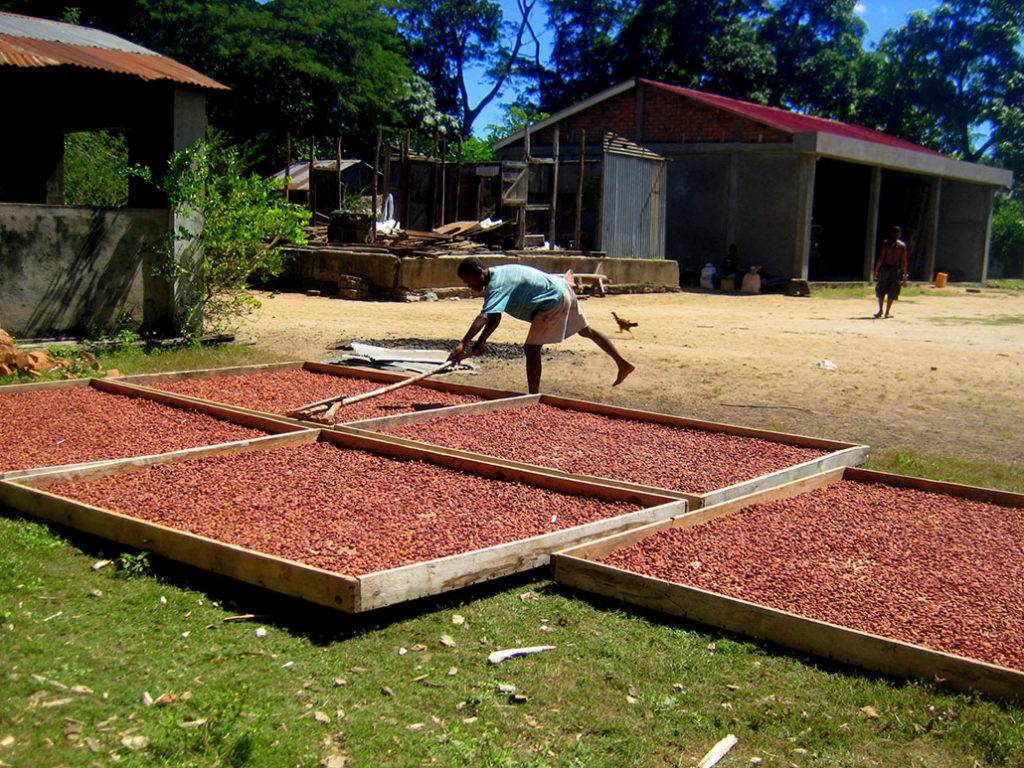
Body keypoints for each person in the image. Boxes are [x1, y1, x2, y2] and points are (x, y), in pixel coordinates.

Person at [449, 258, 635, 394]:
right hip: (563, 289)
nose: (469, 286)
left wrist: (463, 344)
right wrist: (481, 341)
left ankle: (533, 396)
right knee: (586, 330)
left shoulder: (497, 284)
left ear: (480, 272)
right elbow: (495, 316)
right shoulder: (499, 273)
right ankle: (623, 364)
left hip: (552, 301)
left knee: (531, 349)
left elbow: (484, 317)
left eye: (469, 281)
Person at [872, 226, 909, 318]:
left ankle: (880, 310)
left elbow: (881, 258)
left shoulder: (886, 243)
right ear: (899, 234)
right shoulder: (902, 246)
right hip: (895, 270)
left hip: (885, 269)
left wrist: (876, 270)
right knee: (893, 290)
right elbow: (903, 261)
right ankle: (887, 312)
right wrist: (905, 274)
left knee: (882, 289)